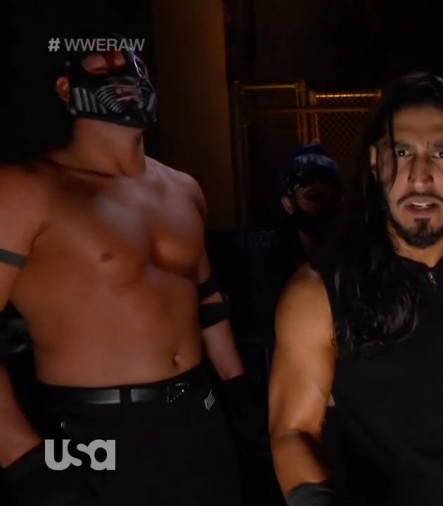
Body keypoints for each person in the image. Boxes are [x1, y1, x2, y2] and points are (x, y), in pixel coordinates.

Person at [269, 72, 443, 506]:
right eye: (401, 152)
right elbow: (292, 431)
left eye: (442, 152)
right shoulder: (318, 292)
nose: (420, 176)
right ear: (375, 162)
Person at [0, 37, 255, 506]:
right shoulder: (26, 188)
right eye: (105, 62)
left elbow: (205, 300)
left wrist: (240, 400)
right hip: (92, 433)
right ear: (65, 87)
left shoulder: (183, 189)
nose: (124, 72)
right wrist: (24, 459)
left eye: (135, 63)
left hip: (199, 417)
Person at [277, 143, 343, 265]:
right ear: (288, 203)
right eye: (314, 198)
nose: (326, 206)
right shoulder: (270, 260)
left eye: (334, 198)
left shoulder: (349, 255)